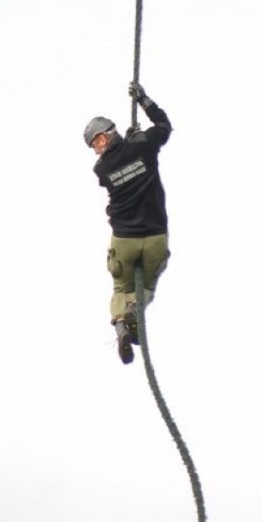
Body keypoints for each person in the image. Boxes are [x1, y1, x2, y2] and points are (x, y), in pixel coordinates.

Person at [83, 81, 172, 365]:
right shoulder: (143, 146)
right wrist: (144, 101)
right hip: (155, 235)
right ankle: (136, 309)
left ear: (106, 137)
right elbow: (164, 126)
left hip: (125, 239)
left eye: (98, 142)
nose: (98, 148)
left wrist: (133, 143)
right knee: (145, 285)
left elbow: (117, 164)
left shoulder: (102, 169)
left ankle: (122, 322)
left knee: (121, 287)